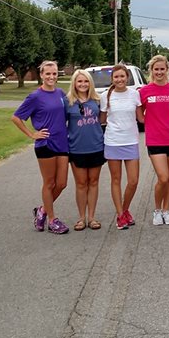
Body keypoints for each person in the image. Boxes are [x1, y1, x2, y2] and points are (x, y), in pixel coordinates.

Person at [11, 60, 70, 235]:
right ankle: (52, 220)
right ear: (42, 75)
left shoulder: (61, 93)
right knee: (49, 182)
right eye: (48, 73)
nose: (51, 77)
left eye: (54, 73)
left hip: (62, 143)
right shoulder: (35, 97)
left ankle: (42, 210)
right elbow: (16, 117)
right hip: (45, 144)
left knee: (62, 183)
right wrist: (32, 134)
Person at [136, 55, 169, 226]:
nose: (160, 72)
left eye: (162, 69)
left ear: (167, 69)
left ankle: (166, 210)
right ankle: (157, 210)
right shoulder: (145, 91)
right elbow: (139, 113)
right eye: (156, 69)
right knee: (163, 177)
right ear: (152, 71)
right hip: (155, 139)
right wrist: (146, 121)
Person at [101, 64, 141, 230]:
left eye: (122, 76)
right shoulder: (105, 96)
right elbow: (101, 120)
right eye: (116, 77)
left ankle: (125, 209)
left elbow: (141, 118)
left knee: (133, 181)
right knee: (116, 180)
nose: (119, 80)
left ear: (127, 77)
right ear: (112, 79)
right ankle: (120, 215)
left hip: (131, 141)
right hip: (113, 142)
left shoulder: (134, 94)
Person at [65, 69, 105, 231]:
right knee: (81, 184)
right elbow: (61, 124)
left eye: (86, 81)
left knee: (93, 182)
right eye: (79, 81)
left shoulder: (97, 100)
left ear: (90, 83)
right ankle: (81, 218)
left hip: (96, 146)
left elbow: (103, 120)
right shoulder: (67, 102)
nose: (83, 84)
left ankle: (92, 217)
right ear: (74, 83)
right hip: (76, 148)